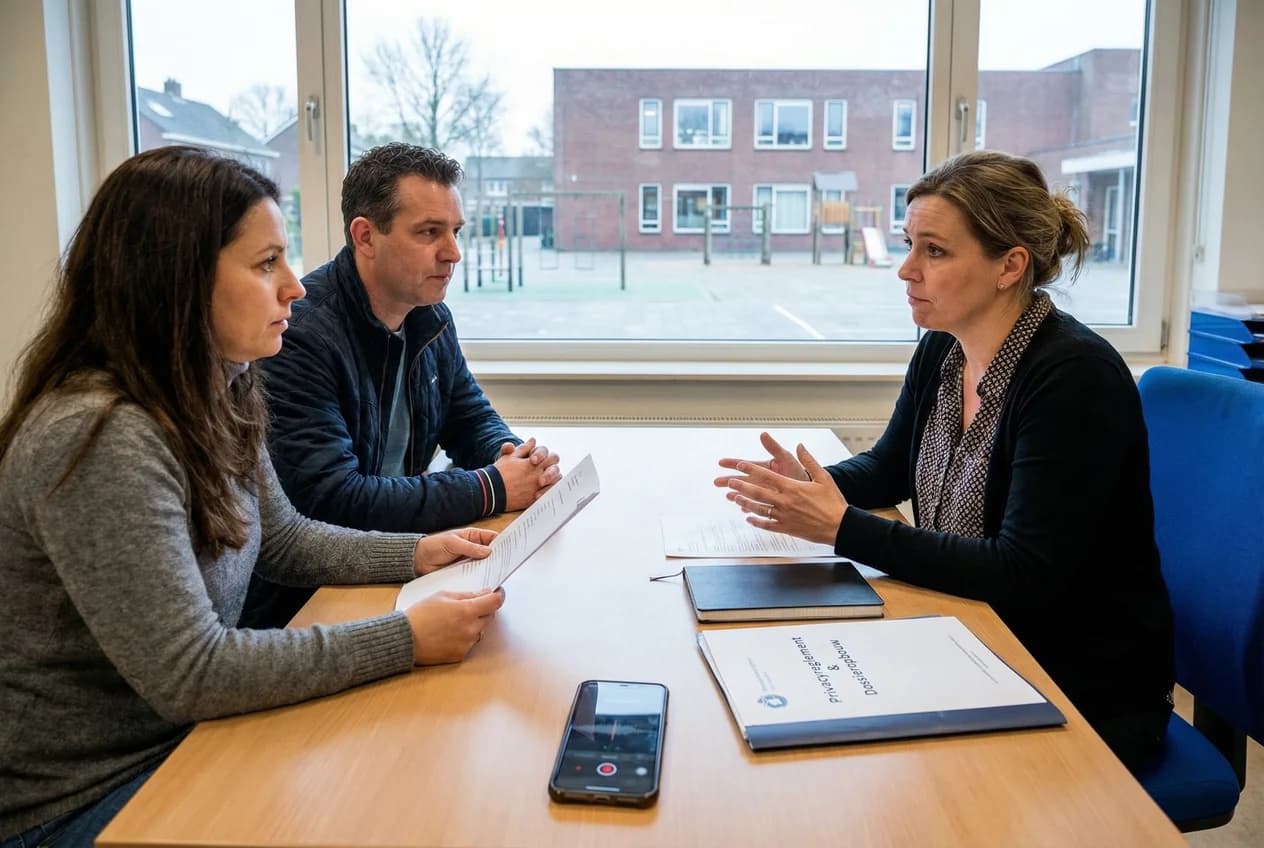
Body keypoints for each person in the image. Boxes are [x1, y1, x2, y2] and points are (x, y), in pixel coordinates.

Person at [0, 146, 506, 847]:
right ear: (174, 281)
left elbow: (287, 537)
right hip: (89, 795)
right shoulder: (100, 433)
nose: (296, 287)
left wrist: (419, 553)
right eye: (266, 264)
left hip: (187, 741)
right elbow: (193, 672)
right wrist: (405, 639)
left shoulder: (223, 387)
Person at [714, 150, 1174, 772]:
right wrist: (807, 487)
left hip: (1078, 683)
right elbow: (891, 466)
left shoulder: (1074, 378)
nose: (906, 270)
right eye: (909, 245)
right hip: (976, 632)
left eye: (934, 251)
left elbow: (1023, 572)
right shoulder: (943, 348)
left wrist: (840, 525)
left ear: (1009, 265)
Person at [245, 143, 560, 628]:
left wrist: (511, 454)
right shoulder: (300, 336)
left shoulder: (429, 316)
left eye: (455, 232)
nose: (453, 253)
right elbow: (333, 500)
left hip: (399, 564)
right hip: (310, 603)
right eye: (429, 232)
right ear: (366, 236)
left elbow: (468, 414)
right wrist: (492, 487)